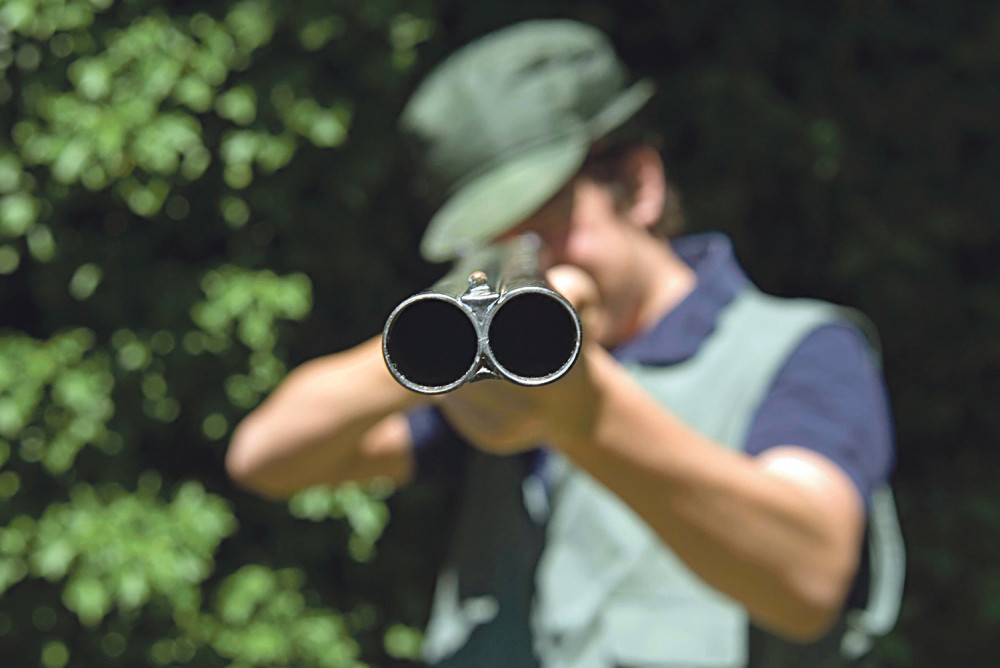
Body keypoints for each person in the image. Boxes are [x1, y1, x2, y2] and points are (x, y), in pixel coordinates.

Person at [225, 19, 904, 668]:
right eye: (495, 242)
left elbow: (809, 576)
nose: (536, 259)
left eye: (547, 226)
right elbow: (266, 456)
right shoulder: (492, 381)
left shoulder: (798, 349)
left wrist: (588, 417)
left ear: (638, 184)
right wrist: (434, 339)